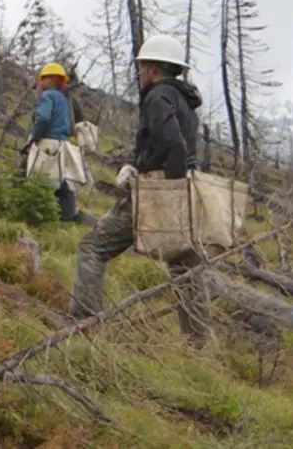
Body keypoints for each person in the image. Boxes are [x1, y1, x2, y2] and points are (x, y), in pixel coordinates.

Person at [70, 34, 211, 344]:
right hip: (187, 187)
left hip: (160, 189)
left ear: (153, 68)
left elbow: (172, 143)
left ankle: (84, 325)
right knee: (185, 268)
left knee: (93, 248)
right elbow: (179, 146)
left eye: (142, 65)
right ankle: (197, 344)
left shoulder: (157, 96)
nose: (139, 71)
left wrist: (158, 182)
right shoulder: (185, 102)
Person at [22, 63, 95, 224]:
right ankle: (67, 217)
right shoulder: (66, 99)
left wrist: (34, 138)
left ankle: (28, 214)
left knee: (33, 178)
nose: (40, 83)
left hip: (46, 143)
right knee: (62, 182)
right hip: (63, 146)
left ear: (50, 79)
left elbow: (43, 118)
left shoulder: (47, 96)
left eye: (42, 79)